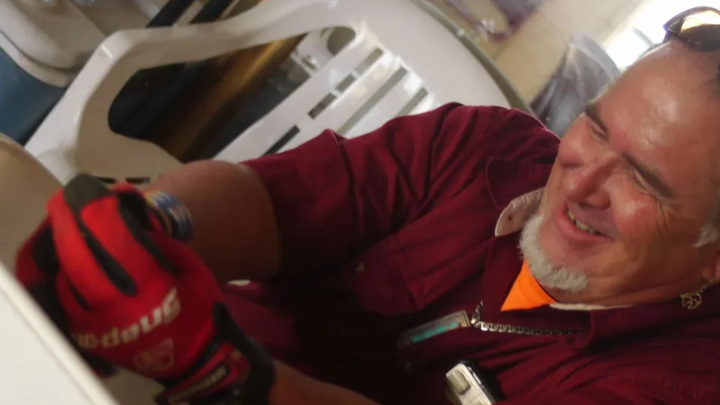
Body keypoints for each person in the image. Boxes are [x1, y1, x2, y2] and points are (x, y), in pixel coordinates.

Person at [15, 6, 720, 405]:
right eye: (594, 127)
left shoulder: (680, 384)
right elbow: (268, 205)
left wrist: (226, 373)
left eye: (643, 181)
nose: (582, 179)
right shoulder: (483, 146)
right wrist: (156, 226)